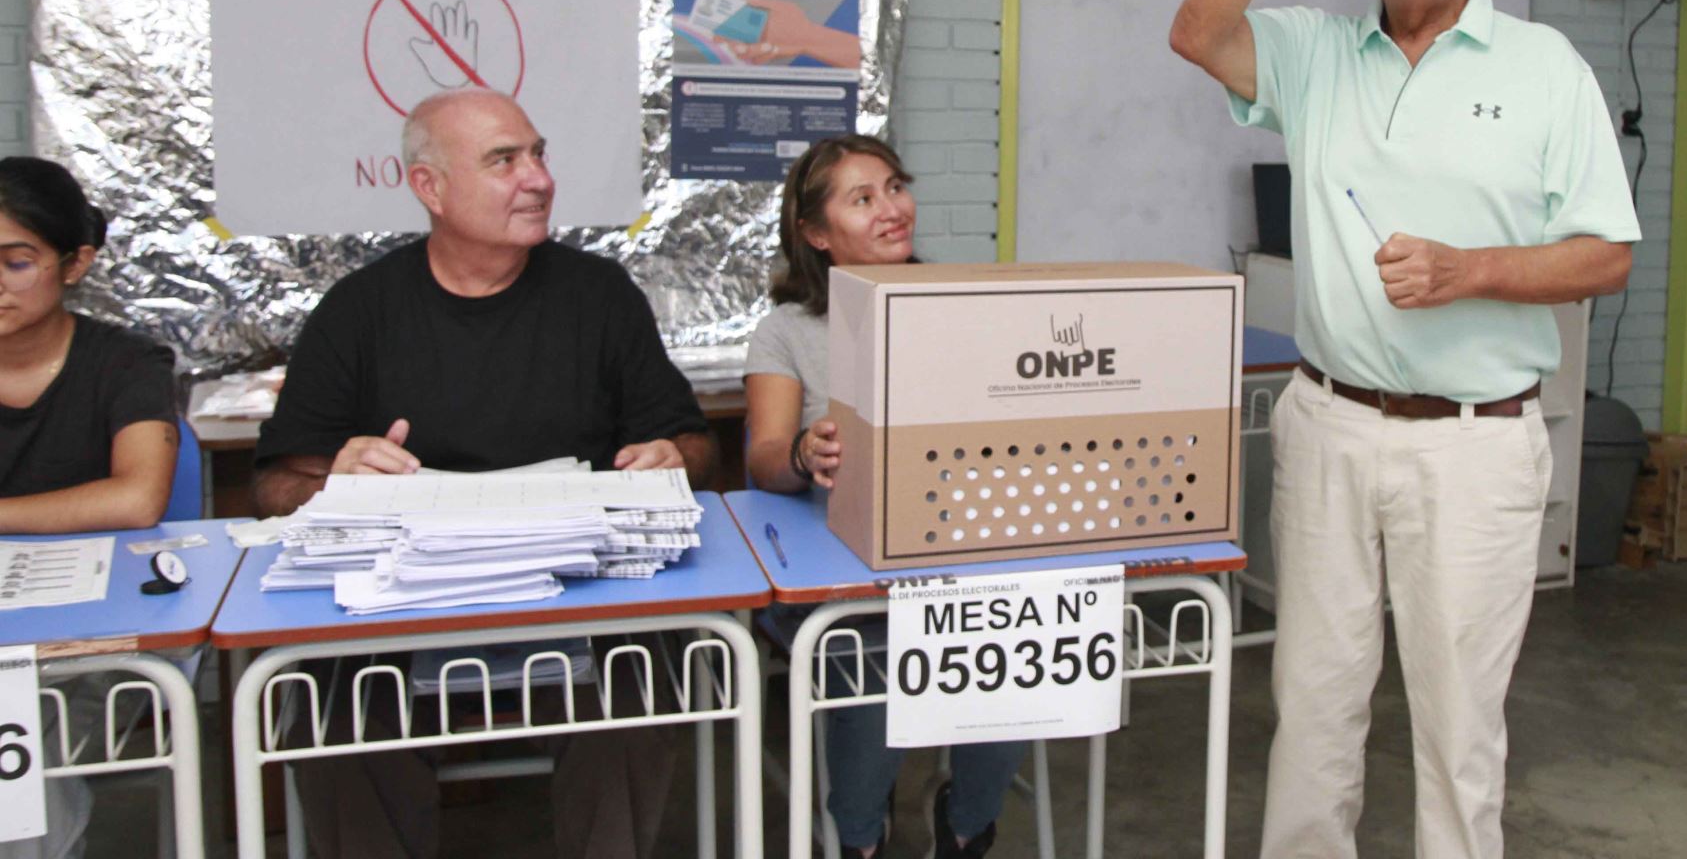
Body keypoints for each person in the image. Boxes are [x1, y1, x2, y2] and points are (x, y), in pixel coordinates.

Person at [1168, 0, 1640, 859]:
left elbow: (1607, 255)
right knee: (1313, 706)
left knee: (1460, 726)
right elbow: (1197, 33)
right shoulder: (1314, 55)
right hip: (1330, 424)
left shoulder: (1546, 68)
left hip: (1476, 443)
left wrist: (1470, 271)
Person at [254, 87, 717, 859]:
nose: (538, 179)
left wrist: (673, 458)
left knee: (639, 699)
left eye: (538, 155)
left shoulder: (598, 295)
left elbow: (694, 446)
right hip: (402, 609)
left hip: (578, 597)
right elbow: (274, 489)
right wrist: (335, 478)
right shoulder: (360, 311)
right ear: (429, 188)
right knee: (335, 720)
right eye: (504, 161)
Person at [744, 134, 1024, 859]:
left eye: (896, 187)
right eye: (862, 199)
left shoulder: (965, 303)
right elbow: (765, 459)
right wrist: (804, 454)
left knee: (1024, 642)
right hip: (842, 569)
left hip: (962, 553)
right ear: (816, 232)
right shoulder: (786, 332)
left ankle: (966, 824)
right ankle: (860, 837)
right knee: (877, 665)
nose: (892, 209)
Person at [0, 156, 180, 859]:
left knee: (22, 737)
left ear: (75, 264)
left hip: (95, 637)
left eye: (16, 262)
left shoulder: (127, 363)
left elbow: (137, 499)